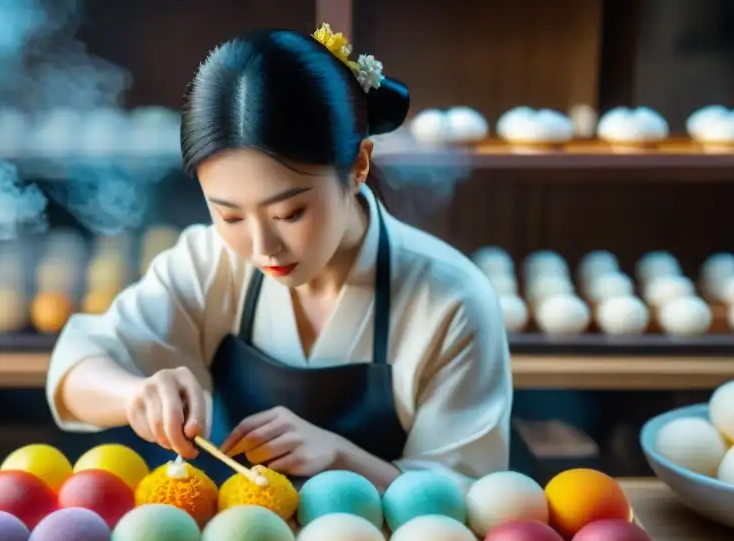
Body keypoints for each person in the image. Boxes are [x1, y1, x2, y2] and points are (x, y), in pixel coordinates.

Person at [47, 24, 511, 492]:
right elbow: (76, 366)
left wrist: (341, 459)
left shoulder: (451, 297)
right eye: (230, 216)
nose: (263, 245)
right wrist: (135, 396)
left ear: (358, 167)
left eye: (290, 212)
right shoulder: (209, 261)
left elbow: (471, 497)